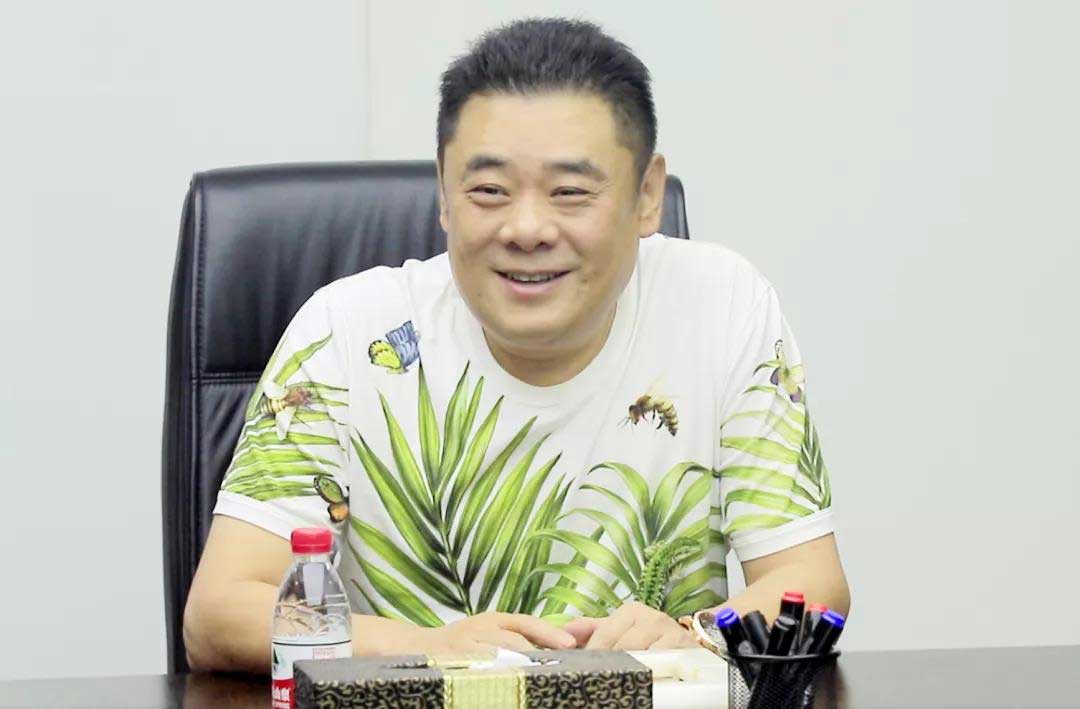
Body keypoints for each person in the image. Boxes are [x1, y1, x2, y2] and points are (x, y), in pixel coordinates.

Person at [183, 17, 850, 673]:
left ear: (647, 195)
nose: (527, 228)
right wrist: (426, 647)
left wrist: (688, 637)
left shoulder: (720, 305)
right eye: (489, 191)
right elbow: (218, 614)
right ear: (445, 194)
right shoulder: (349, 331)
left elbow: (812, 584)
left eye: (570, 192)